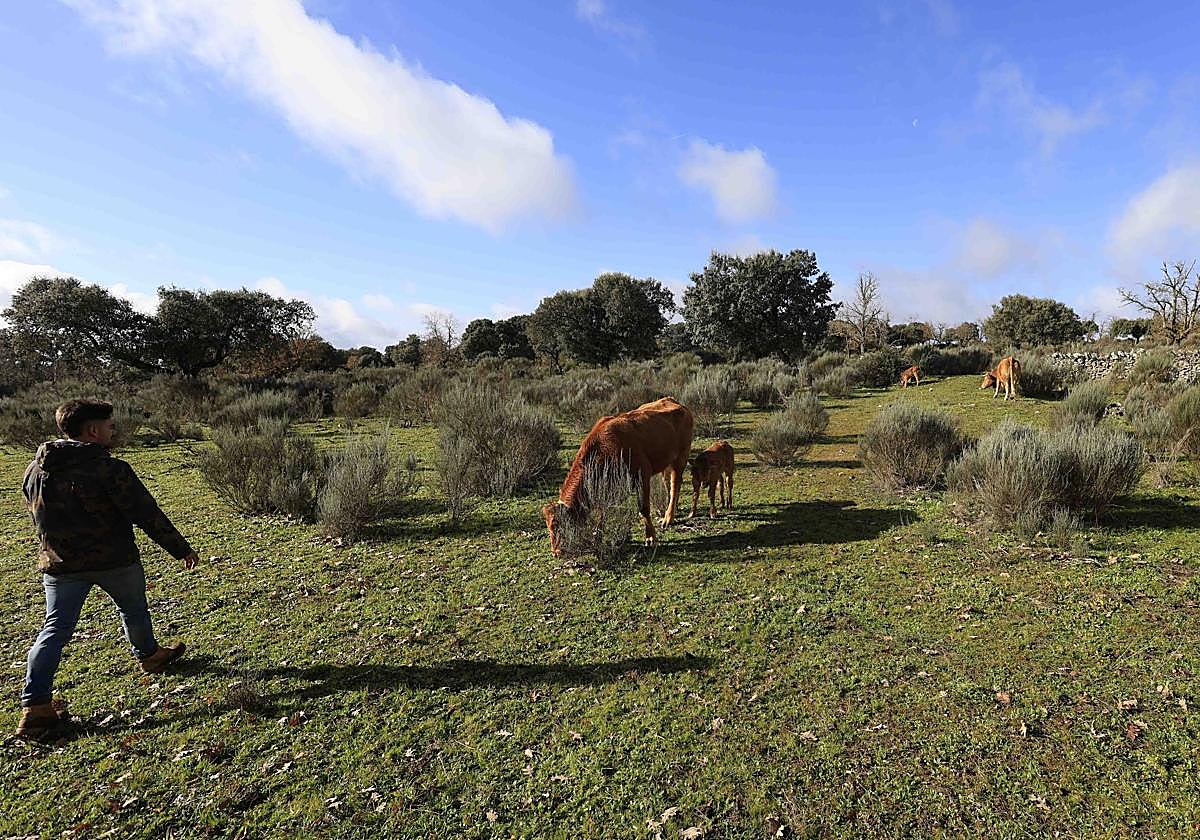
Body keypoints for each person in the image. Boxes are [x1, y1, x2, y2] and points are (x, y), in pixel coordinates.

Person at [15, 398, 200, 740]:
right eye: (110, 426)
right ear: (93, 431)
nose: (114, 430)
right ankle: (149, 655)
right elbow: (146, 513)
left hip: (59, 565)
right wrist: (180, 549)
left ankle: (36, 706)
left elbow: (36, 515)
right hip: (114, 560)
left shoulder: (35, 469)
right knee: (133, 609)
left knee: (54, 629)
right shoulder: (109, 469)